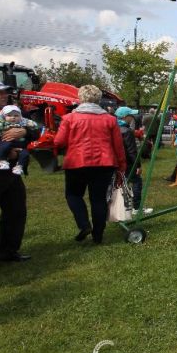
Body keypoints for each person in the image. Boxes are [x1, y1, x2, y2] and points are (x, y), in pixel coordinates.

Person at [54, 85, 127, 244]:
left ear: (80, 98)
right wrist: (122, 166)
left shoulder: (69, 118)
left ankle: (84, 224)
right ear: (99, 99)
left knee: (73, 195)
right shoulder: (110, 119)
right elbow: (118, 146)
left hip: (76, 162)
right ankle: (98, 235)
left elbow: (59, 141)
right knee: (98, 199)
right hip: (104, 163)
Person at [0, 84, 30, 261]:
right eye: (0, 93)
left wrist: (24, 130)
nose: (4, 95)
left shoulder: (13, 112)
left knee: (16, 210)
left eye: (5, 92)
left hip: (11, 172)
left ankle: (9, 251)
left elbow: (35, 130)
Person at [115, 106, 150, 214]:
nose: (133, 117)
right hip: (128, 162)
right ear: (125, 117)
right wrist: (138, 165)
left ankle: (122, 207)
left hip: (116, 162)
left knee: (120, 184)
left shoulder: (113, 128)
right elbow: (132, 151)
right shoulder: (127, 131)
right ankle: (136, 207)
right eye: (131, 115)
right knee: (136, 182)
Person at [0, 105, 38, 175]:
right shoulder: (1, 122)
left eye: (6, 93)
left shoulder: (23, 114)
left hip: (18, 153)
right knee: (5, 145)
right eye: (0, 93)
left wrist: (26, 132)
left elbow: (36, 133)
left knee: (25, 154)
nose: (13, 117)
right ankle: (2, 160)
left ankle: (19, 166)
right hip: (5, 149)